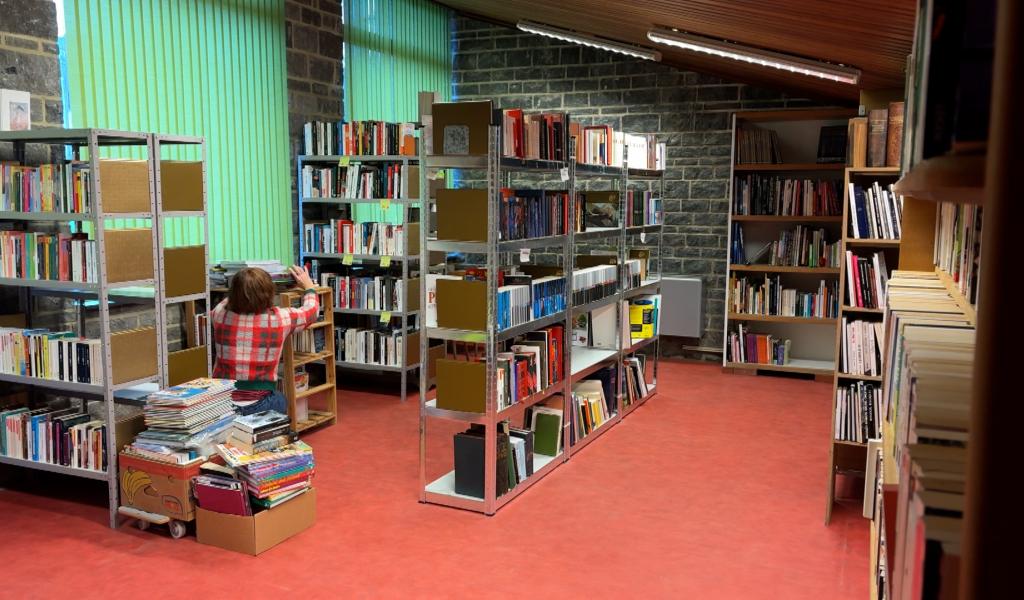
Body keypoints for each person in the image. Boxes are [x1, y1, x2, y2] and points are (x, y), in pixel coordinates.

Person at [211, 265, 319, 416]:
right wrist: (309, 287)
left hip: (221, 403)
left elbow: (228, 301)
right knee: (280, 399)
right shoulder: (280, 319)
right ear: (269, 294)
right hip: (259, 404)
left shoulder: (219, 315)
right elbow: (311, 311)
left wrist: (243, 288)